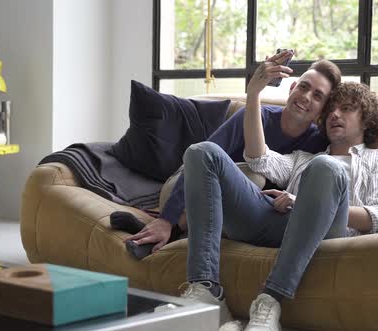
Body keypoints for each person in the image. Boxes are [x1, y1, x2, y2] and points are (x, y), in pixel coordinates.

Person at [179, 68, 378, 331]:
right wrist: (254, 94)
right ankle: (205, 289)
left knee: (326, 167)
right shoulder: (302, 158)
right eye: (331, 109)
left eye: (347, 109)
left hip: (329, 231)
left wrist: (303, 201)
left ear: (366, 121)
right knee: (203, 152)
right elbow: (258, 157)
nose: (335, 114)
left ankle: (270, 300)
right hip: (280, 224)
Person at [123, 51, 342, 256]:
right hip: (187, 186)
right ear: (292, 87)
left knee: (258, 191)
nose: (306, 97)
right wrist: (167, 218)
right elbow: (200, 159)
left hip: (236, 211)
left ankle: (166, 229)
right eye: (303, 87)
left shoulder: (318, 143)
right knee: (255, 177)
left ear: (323, 109)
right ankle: (168, 229)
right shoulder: (254, 116)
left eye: (317, 96)